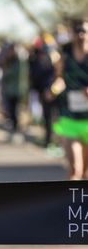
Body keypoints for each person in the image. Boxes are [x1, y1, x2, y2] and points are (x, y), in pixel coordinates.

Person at [51, 18, 88, 180]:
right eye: (77, 31)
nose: (81, 35)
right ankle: (71, 205)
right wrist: (54, 89)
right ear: (72, 34)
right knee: (75, 170)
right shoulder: (65, 54)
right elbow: (59, 78)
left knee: (86, 172)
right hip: (69, 117)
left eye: (84, 31)